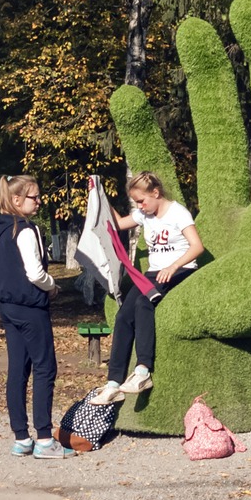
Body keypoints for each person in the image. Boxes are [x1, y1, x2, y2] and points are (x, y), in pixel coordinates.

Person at [86, 171, 202, 406]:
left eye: (142, 201)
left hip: (181, 268)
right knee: (123, 317)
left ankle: (142, 371)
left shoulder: (178, 213)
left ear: (156, 193)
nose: (140, 206)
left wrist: (174, 265)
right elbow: (118, 224)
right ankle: (113, 384)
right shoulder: (144, 214)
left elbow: (197, 246)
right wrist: (100, 195)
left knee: (143, 303)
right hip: (152, 274)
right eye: (136, 202)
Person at [0, 176, 67, 458]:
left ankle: (21, 437)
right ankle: (45, 438)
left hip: (7, 307)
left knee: (17, 371)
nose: (39, 201)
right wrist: (53, 286)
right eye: (35, 197)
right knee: (45, 368)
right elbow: (34, 273)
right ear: (17, 200)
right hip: (31, 307)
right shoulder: (25, 230)